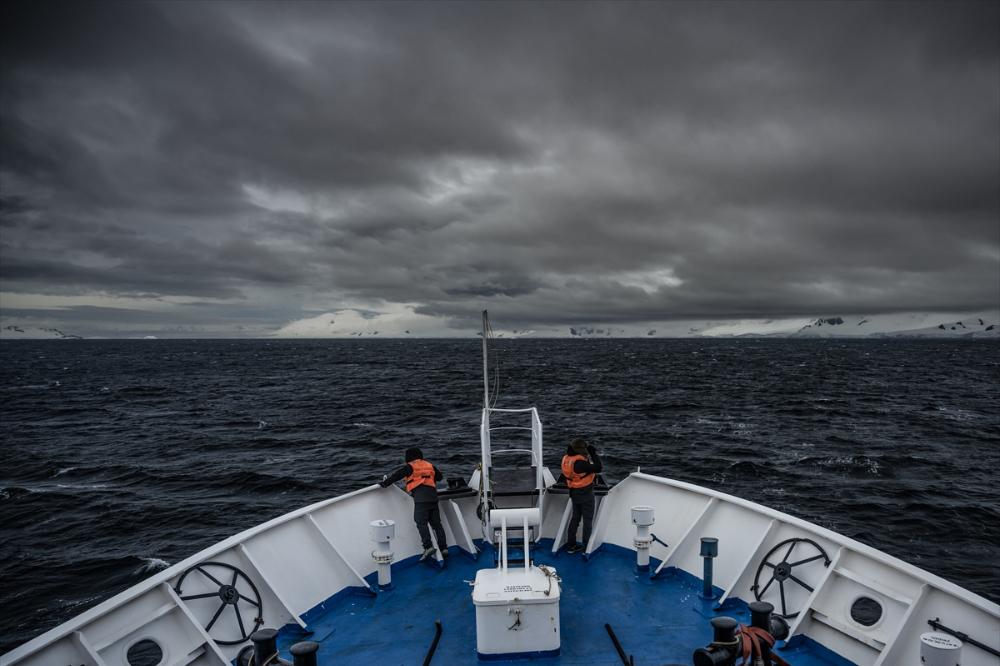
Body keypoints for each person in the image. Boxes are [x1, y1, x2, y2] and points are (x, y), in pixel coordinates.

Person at [379, 447, 450, 562]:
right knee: (437, 524)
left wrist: (385, 484)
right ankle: (444, 548)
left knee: (421, 522)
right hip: (433, 497)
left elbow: (397, 476)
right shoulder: (429, 465)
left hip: (421, 498)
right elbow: (439, 477)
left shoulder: (410, 467)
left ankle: (428, 547)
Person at [560, 437, 602, 554]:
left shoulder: (567, 459)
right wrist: (593, 453)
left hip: (574, 493)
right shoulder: (581, 463)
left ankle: (571, 546)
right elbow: (598, 468)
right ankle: (586, 548)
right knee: (587, 521)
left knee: (575, 519)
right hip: (586, 494)